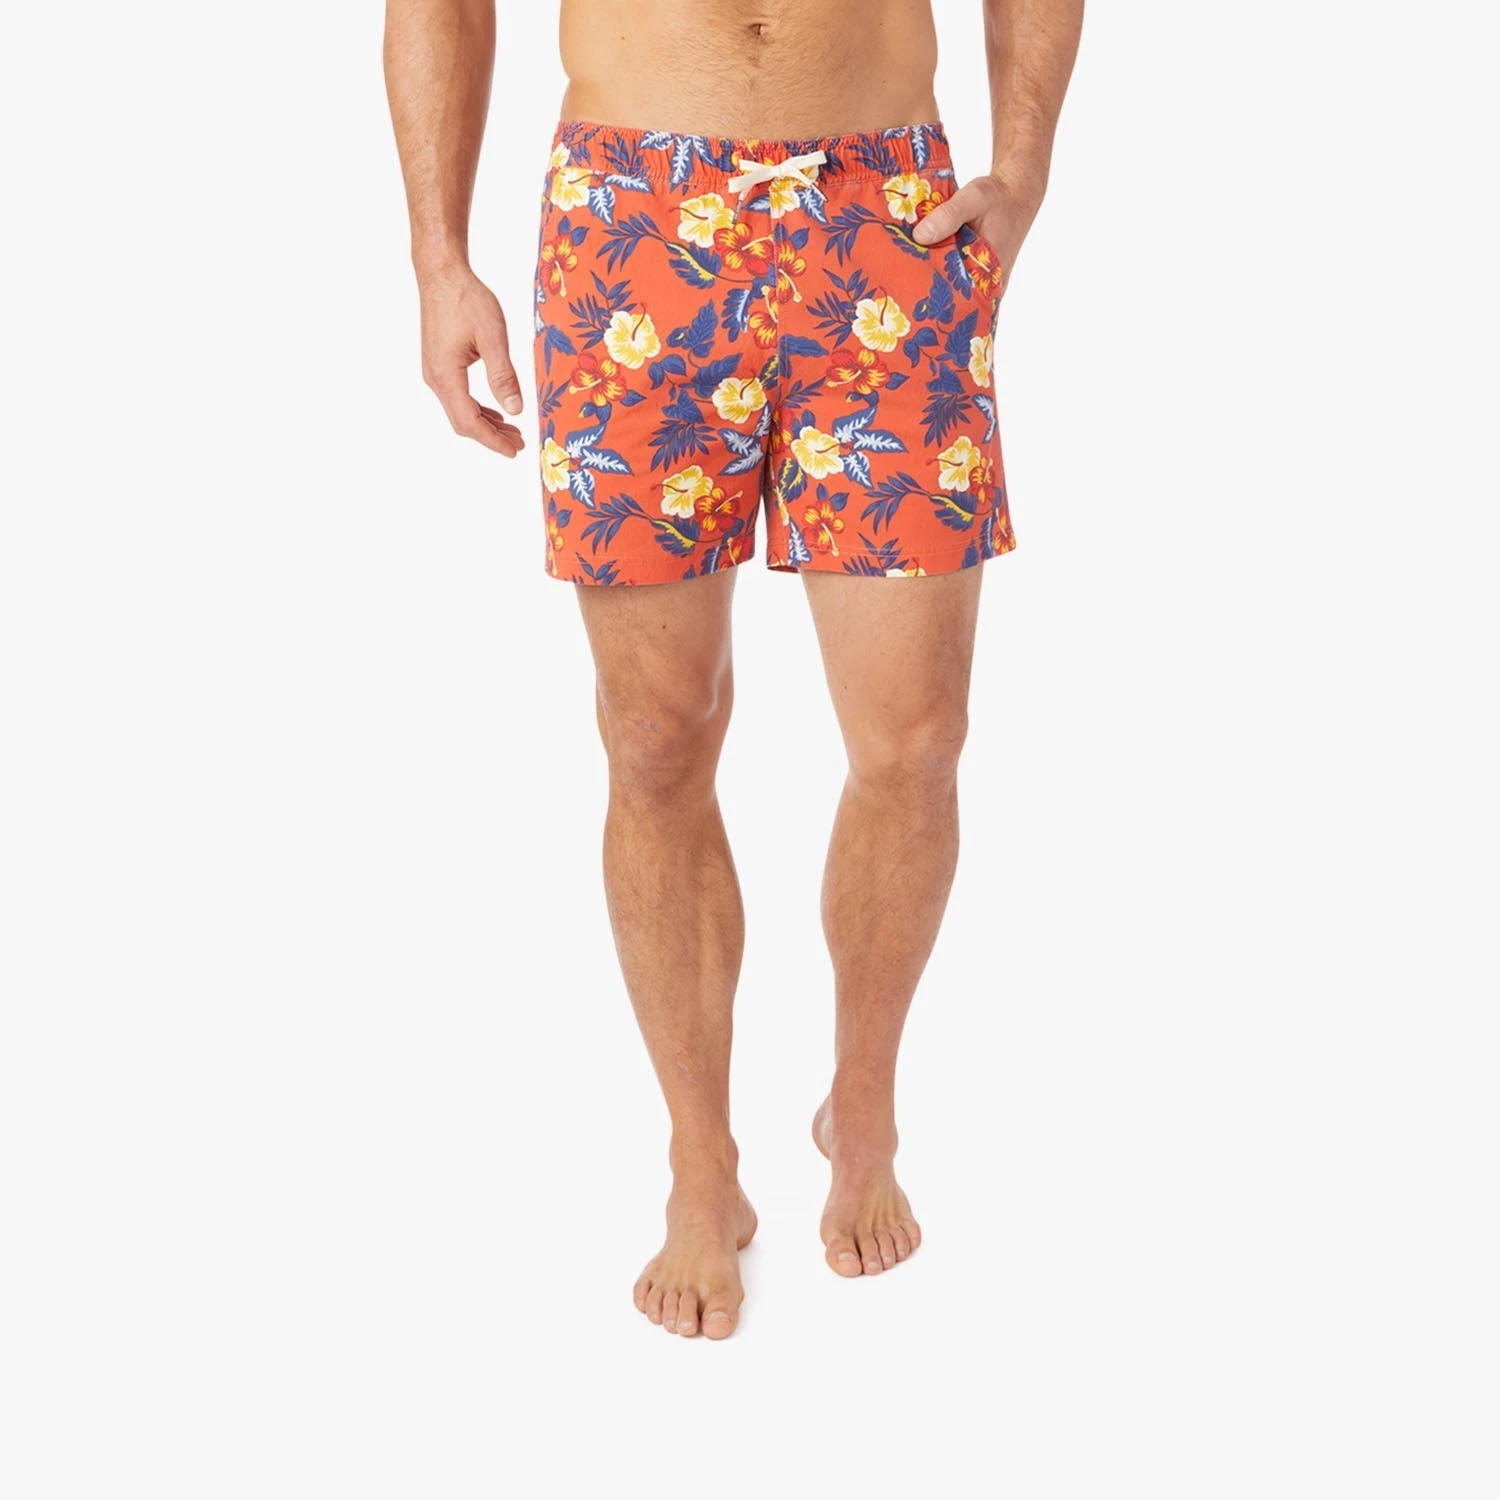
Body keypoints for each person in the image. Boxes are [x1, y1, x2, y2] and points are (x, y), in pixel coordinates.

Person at [384, 0, 1082, 1340]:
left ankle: (862, 1104)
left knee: (917, 739)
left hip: (888, 217)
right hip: (632, 214)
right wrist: (438, 261)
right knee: (655, 737)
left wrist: (1025, 167)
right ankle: (699, 1157)